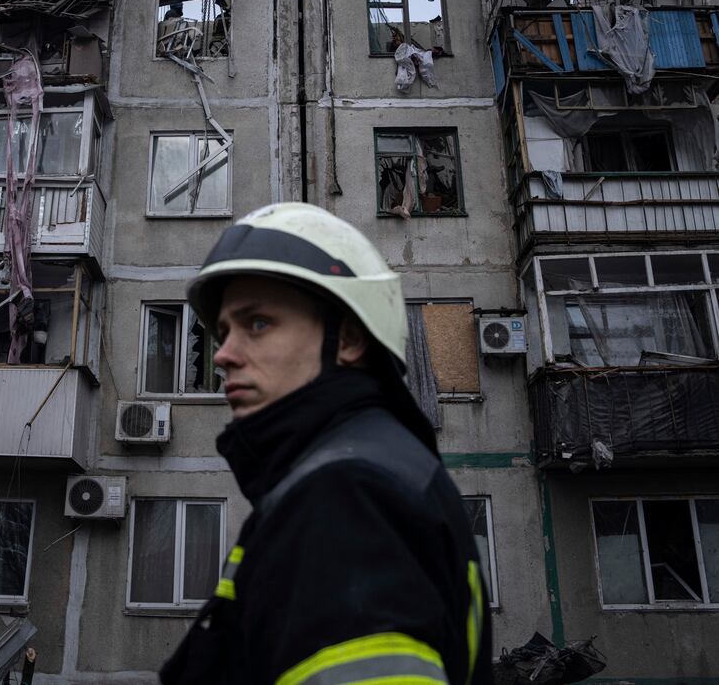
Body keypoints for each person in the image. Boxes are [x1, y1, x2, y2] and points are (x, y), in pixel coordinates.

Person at [160, 202, 492, 685]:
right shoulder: (376, 471)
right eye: (224, 331)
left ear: (349, 338)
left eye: (257, 324)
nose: (223, 356)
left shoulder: (348, 493)